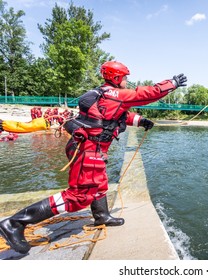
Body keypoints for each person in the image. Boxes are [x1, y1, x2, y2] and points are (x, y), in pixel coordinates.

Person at [0, 60, 187, 254]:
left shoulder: (104, 94)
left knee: (99, 185)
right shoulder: (115, 94)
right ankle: (14, 223)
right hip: (88, 149)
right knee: (78, 196)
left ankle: (102, 216)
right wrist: (171, 83)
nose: (126, 81)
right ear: (116, 78)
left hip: (89, 148)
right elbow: (146, 94)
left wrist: (141, 121)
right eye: (124, 78)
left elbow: (116, 117)